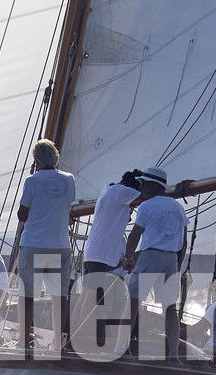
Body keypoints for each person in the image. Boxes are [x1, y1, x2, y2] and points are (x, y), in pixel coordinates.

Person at [17, 137, 77, 349]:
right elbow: (68, 205)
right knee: (59, 296)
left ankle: (24, 342)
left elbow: (22, 213)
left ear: (36, 160)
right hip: (60, 245)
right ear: (56, 158)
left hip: (34, 243)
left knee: (27, 295)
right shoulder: (69, 179)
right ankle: (57, 343)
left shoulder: (31, 181)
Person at [124, 168, 189, 361]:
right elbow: (184, 242)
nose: (141, 187)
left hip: (150, 256)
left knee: (133, 303)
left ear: (153, 186)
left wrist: (127, 259)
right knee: (170, 308)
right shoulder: (178, 208)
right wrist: (178, 264)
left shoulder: (147, 206)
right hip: (171, 259)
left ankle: (123, 348)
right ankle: (174, 355)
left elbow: (135, 235)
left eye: (143, 183)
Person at [82, 174, 142, 277]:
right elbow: (147, 196)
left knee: (90, 293)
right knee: (97, 293)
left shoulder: (107, 189)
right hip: (102, 257)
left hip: (92, 255)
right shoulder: (121, 191)